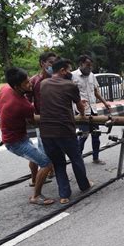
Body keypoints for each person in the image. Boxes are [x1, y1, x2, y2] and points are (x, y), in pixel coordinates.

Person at [0, 67, 54, 205]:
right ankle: (36, 196)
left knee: (34, 157)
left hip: (14, 135)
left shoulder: (5, 89)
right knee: (46, 163)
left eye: (29, 80)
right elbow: (33, 122)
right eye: (27, 83)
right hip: (15, 142)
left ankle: (35, 180)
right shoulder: (23, 105)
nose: (30, 84)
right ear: (17, 86)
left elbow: (0, 106)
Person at [40, 58, 93, 204]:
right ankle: (84, 185)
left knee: (58, 163)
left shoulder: (43, 84)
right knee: (76, 158)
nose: (70, 72)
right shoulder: (70, 85)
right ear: (62, 70)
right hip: (64, 130)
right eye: (68, 70)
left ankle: (64, 194)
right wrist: (82, 115)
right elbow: (79, 106)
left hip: (46, 131)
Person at [72, 55, 111, 165]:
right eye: (87, 65)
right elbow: (68, 93)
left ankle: (95, 157)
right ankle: (77, 159)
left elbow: (95, 91)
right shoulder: (73, 76)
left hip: (93, 110)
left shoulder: (92, 76)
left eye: (91, 65)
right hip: (81, 111)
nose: (90, 67)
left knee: (96, 135)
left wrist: (105, 103)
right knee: (83, 135)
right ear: (81, 64)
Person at [28, 51, 57, 177]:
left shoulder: (57, 79)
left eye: (55, 63)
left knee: (56, 147)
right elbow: (27, 101)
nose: (53, 65)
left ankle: (52, 170)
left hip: (56, 119)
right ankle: (37, 177)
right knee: (42, 149)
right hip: (42, 121)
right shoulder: (34, 81)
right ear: (42, 63)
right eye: (51, 62)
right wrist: (32, 116)